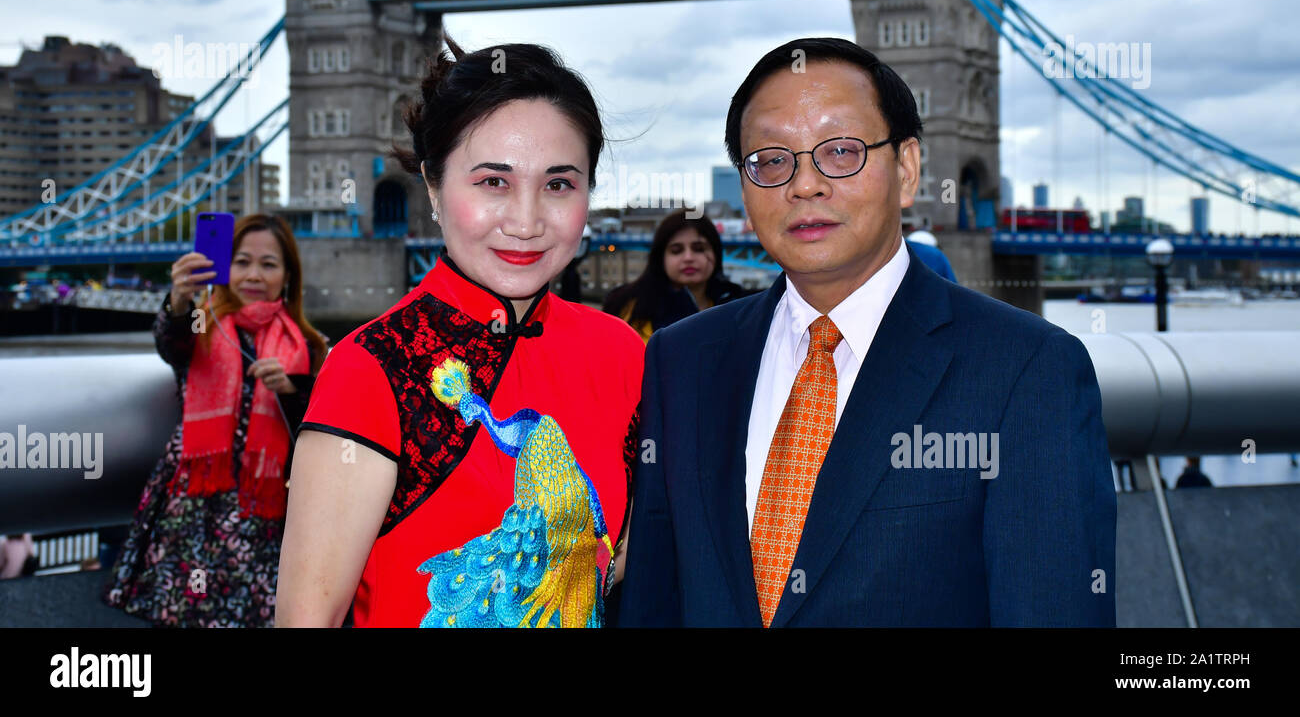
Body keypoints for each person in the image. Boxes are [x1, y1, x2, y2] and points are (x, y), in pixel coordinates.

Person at [619, 37, 1116, 627]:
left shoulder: (1026, 370)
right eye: (772, 160)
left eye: (840, 151)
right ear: (745, 191)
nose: (804, 185)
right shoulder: (682, 360)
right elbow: (652, 604)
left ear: (906, 170)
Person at [277, 39, 644, 628]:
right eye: (493, 182)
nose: (525, 222)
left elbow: (618, 561)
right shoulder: (373, 367)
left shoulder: (623, 353)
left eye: (558, 185)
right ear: (432, 187)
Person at [103, 212, 327, 626]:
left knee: (253, 615)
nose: (254, 274)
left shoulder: (308, 345)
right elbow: (172, 342)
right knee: (187, 611)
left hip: (264, 512)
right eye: (242, 262)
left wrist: (293, 388)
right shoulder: (205, 323)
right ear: (225, 267)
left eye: (268, 264)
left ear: (288, 276)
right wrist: (181, 299)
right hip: (196, 503)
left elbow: (317, 431)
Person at [602, 209, 754, 343]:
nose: (688, 257)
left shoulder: (739, 306)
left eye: (699, 249)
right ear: (661, 258)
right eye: (676, 250)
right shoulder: (626, 306)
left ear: (716, 253)